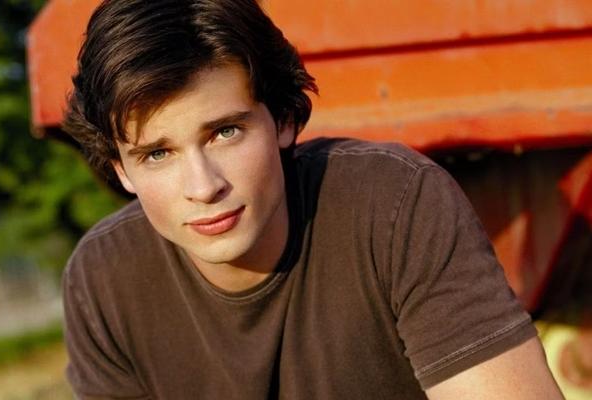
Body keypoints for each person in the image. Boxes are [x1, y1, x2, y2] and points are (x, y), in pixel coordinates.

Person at [60, 0, 564, 398]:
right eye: (157, 154)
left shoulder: (392, 205)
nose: (204, 186)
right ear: (121, 169)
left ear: (283, 119)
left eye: (225, 132)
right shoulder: (104, 281)